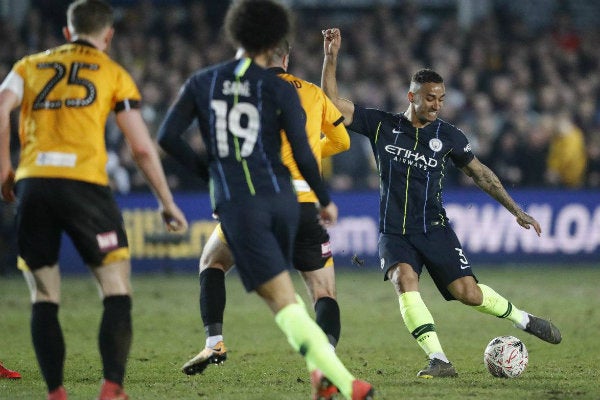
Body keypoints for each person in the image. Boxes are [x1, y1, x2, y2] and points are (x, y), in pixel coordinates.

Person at [158, 1, 373, 399]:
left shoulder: (206, 81)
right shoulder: (285, 90)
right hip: (293, 203)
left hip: (243, 203)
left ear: (233, 37)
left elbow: (167, 139)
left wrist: (211, 173)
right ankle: (334, 376)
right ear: (284, 52)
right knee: (314, 296)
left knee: (230, 272)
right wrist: (323, 197)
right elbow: (312, 150)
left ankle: (216, 341)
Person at [321, 28, 561, 378]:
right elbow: (330, 104)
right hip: (394, 231)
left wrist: (516, 210)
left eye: (441, 99)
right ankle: (439, 359)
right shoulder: (381, 125)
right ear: (411, 96)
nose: (436, 105)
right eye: (430, 98)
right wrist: (331, 56)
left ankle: (524, 319)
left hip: (434, 229)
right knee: (403, 281)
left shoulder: (448, 136)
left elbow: (482, 175)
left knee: (469, 293)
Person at [0, 1, 188, 399]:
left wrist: (4, 166)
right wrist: (166, 201)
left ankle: (56, 392)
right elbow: (140, 148)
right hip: (84, 183)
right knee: (116, 288)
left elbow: (2, 109)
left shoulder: (27, 66)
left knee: (44, 295)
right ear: (109, 35)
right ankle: (111, 388)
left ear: (67, 33)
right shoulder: (113, 72)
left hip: (34, 184)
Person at [180, 38, 350, 386]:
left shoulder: (242, 93)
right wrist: (311, 148)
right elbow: (342, 142)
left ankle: (214, 342)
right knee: (323, 293)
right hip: (304, 204)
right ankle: (326, 363)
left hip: (255, 200)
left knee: (212, 262)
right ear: (287, 57)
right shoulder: (313, 93)